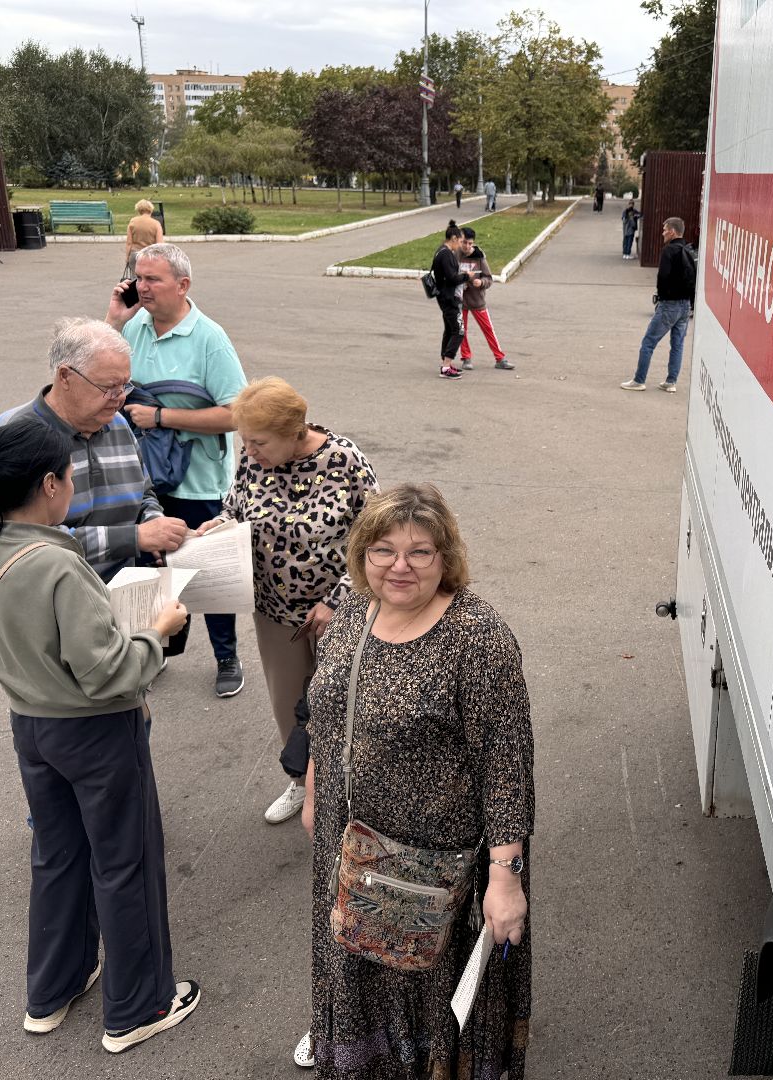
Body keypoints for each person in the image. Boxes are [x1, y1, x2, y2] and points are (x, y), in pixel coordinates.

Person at [0, 417, 200, 1054]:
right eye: (68, 475)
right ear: (49, 484)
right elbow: (111, 671)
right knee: (126, 861)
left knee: (57, 856)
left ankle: (53, 988)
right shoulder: (58, 566)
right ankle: (139, 1004)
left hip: (31, 724)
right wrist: (157, 628)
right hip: (95, 731)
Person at [301, 482, 534, 1078]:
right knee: (356, 955)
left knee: (432, 981)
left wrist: (505, 881)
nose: (399, 566)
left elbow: (506, 765)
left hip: (433, 860)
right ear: (362, 555)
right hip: (348, 839)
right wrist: (312, 785)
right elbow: (325, 708)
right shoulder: (355, 610)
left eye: (419, 552)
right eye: (383, 550)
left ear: (445, 557)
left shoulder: (477, 639)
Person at [195, 377, 379, 825]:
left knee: (348, 702)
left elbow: (374, 540)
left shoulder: (345, 461)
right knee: (287, 700)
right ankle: (302, 781)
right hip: (274, 609)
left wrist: (336, 599)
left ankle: (360, 795)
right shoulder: (253, 459)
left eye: (259, 442)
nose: (250, 451)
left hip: (342, 611)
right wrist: (216, 527)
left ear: (294, 432)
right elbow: (236, 508)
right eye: (246, 443)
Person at [106, 242, 249, 697]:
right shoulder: (134, 327)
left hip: (197, 479)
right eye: (137, 277)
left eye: (152, 279)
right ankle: (157, 648)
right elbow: (95, 370)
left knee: (207, 569)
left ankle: (226, 655)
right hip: (141, 475)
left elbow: (236, 414)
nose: (141, 287)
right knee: (150, 566)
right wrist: (114, 319)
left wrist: (162, 417)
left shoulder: (209, 338)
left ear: (183, 285)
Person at [0, 317, 188, 582]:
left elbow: (143, 493)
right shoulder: (17, 433)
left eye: (125, 385)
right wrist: (136, 538)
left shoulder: (117, 424)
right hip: (53, 596)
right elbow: (25, 538)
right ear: (65, 376)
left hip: (122, 592)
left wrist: (155, 525)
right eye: (108, 387)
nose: (120, 397)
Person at [621, 217, 697, 392]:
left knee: (648, 342)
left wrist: (661, 299)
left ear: (672, 231)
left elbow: (662, 277)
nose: (663, 233)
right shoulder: (688, 249)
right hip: (685, 306)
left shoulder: (669, 251)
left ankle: (639, 380)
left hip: (669, 305)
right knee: (677, 344)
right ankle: (671, 382)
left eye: (664, 230)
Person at [431, 222, 485, 380]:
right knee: (459, 331)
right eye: (460, 241)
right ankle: (446, 366)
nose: (461, 245)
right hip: (449, 298)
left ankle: (445, 364)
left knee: (449, 329)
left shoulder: (441, 251)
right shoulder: (446, 254)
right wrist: (466, 276)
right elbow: (452, 278)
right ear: (453, 238)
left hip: (445, 297)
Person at [457, 226, 514, 371]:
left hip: (477, 300)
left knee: (488, 329)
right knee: (461, 330)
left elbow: (488, 278)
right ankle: (466, 358)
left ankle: (500, 358)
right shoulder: (454, 254)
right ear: (459, 240)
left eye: (470, 243)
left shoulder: (479, 256)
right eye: (464, 242)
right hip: (460, 299)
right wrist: (459, 281)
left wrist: (481, 282)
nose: (467, 246)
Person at [124, 199, 163, 278]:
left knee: (135, 280)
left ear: (139, 210)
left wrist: (127, 257)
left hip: (135, 255)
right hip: (150, 256)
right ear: (150, 210)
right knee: (150, 279)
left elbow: (129, 243)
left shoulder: (132, 222)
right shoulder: (156, 224)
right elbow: (160, 244)